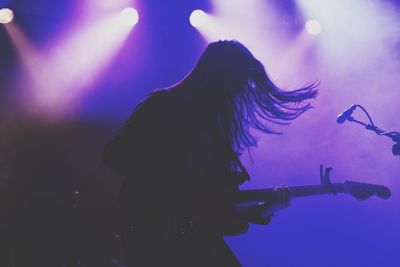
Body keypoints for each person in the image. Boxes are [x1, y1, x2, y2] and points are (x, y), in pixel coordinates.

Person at [102, 40, 318, 266]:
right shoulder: (161, 107)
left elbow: (223, 205)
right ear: (217, 79)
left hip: (194, 239)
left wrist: (267, 208)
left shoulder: (212, 125)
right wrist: (178, 187)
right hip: (154, 238)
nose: (235, 94)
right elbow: (114, 156)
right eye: (234, 85)